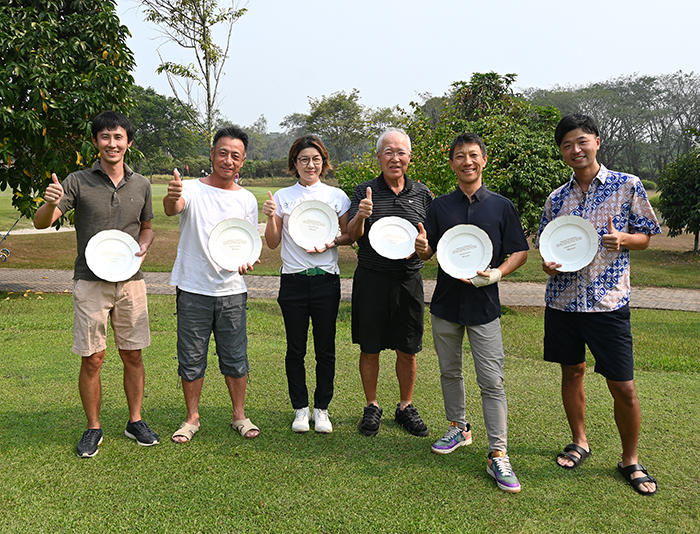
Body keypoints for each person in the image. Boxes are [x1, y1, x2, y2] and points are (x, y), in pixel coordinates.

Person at [537, 113, 661, 496]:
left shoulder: (628, 186)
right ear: (561, 151)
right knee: (571, 373)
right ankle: (580, 441)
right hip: (563, 303)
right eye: (567, 145)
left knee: (623, 386)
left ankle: (630, 460)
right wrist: (546, 263)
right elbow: (547, 245)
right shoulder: (557, 198)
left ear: (596, 142)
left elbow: (646, 236)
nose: (576, 150)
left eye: (582, 141)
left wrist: (624, 239)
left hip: (608, 304)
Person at [33, 111, 158, 458]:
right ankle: (93, 427)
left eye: (118, 137)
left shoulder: (142, 184)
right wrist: (49, 202)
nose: (112, 143)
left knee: (133, 354)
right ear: (95, 142)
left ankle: (135, 421)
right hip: (90, 280)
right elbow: (43, 223)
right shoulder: (76, 181)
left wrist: (145, 244)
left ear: (128, 142)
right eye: (105, 137)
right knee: (93, 358)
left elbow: (146, 226)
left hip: (131, 281)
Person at [415, 133, 528, 493]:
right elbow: (428, 252)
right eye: (460, 156)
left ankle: (498, 453)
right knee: (449, 371)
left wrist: (497, 273)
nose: (467, 161)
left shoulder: (501, 206)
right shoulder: (440, 207)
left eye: (473, 155)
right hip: (446, 302)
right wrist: (421, 248)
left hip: (484, 305)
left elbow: (519, 252)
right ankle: (458, 428)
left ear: (484, 160)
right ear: (452, 163)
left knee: (491, 380)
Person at [164, 126, 260, 443]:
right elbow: (172, 209)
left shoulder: (246, 199)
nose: (228, 160)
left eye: (235, 155)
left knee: (235, 356)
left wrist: (248, 261)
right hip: (193, 287)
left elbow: (247, 242)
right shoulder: (191, 189)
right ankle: (192, 418)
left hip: (232, 290)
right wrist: (172, 196)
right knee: (191, 357)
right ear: (212, 154)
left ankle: (239, 416)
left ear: (243, 161)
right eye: (223, 153)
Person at [347, 128, 433, 437]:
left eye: (401, 152)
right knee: (370, 348)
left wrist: (426, 248)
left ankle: (404, 406)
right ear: (379, 157)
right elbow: (352, 236)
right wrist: (361, 215)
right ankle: (372, 406)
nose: (395, 158)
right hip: (371, 278)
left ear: (410, 157)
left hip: (409, 279)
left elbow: (429, 243)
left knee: (407, 348)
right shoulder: (364, 191)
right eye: (388, 152)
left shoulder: (423, 193)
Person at [262, 135, 351, 434]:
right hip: (294, 281)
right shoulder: (284, 197)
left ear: (323, 163)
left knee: (325, 349)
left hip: (326, 280)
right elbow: (273, 244)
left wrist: (331, 242)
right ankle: (300, 409)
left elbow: (349, 235)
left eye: (315, 159)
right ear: (294, 163)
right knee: (295, 349)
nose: (310, 165)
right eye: (303, 159)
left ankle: (322, 409)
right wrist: (273, 217)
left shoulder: (337, 196)